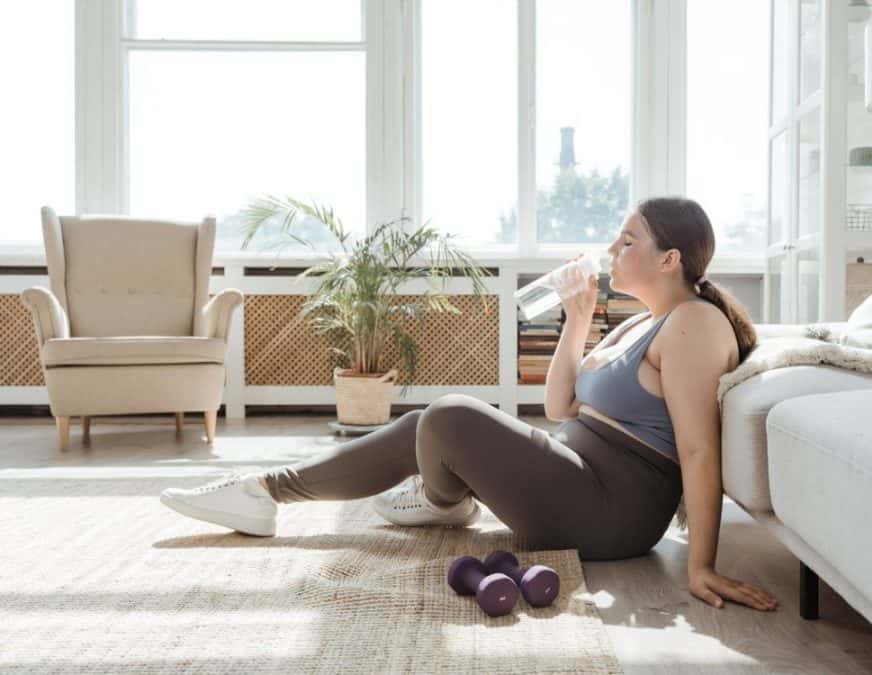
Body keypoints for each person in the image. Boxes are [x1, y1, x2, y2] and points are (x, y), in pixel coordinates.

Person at [160, 196, 777, 612]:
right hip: (579, 478)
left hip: (613, 512)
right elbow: (562, 407)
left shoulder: (696, 323)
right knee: (432, 422)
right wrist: (578, 320)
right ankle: (269, 493)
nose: (611, 251)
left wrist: (701, 566)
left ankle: (439, 498)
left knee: (451, 415)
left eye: (626, 241)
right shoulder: (636, 323)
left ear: (669, 259)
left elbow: (698, 450)